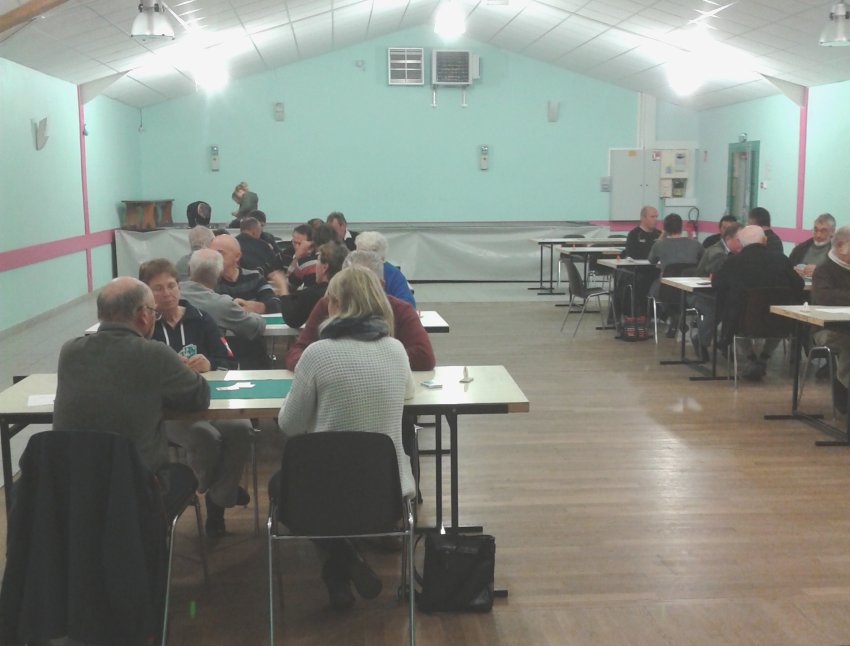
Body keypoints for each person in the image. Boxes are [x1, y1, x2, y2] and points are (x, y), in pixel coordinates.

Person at [276, 265, 415, 611]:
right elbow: (408, 394)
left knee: (283, 488)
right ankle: (343, 566)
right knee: (337, 493)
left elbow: (289, 425)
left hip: (326, 486)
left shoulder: (317, 354)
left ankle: (342, 563)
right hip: (387, 487)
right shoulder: (396, 350)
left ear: (335, 304)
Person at [52, 276, 210, 513]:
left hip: (74, 487)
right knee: (183, 475)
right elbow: (200, 396)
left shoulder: (69, 351)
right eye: (154, 313)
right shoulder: (155, 354)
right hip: (138, 488)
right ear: (144, 314)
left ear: (100, 314)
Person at [139, 259, 252, 537]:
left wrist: (210, 364)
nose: (167, 294)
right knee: (205, 437)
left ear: (180, 286)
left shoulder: (201, 319)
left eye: (171, 286)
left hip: (209, 402)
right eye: (158, 289)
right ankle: (216, 493)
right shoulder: (144, 327)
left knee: (241, 427)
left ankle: (218, 496)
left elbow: (231, 362)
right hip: (169, 413)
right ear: (146, 294)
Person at [284, 250, 435, 372]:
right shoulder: (328, 304)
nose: (357, 293)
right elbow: (298, 349)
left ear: (381, 285)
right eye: (349, 285)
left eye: (365, 285)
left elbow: (425, 356)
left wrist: (353, 361)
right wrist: (307, 365)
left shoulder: (400, 309)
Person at [712, 225, 803, 381]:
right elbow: (799, 284)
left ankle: (751, 358)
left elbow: (717, 284)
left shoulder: (734, 262)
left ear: (740, 243)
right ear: (764, 240)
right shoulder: (781, 259)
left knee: (735, 314)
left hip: (744, 322)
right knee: (777, 322)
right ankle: (764, 357)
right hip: (780, 322)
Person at [180, 248, 269, 368]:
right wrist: (245, 310)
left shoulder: (170, 295)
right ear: (219, 274)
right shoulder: (221, 304)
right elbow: (255, 327)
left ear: (188, 270)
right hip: (208, 368)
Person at [690, 223, 743, 361]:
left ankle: (725, 342)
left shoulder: (737, 252)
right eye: (739, 240)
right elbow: (719, 273)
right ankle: (701, 340)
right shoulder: (716, 252)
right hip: (705, 292)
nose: (742, 243)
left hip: (725, 292)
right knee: (717, 308)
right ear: (729, 239)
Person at [812, 225, 850, 412]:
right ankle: (844, 395)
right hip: (828, 329)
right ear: (840, 245)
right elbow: (826, 298)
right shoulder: (824, 270)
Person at [648, 213, 705, 337]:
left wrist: (661, 237)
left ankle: (673, 315)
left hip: (667, 289)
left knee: (652, 290)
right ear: (682, 226)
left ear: (665, 228)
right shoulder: (695, 244)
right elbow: (702, 262)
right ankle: (677, 316)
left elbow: (651, 260)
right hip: (690, 290)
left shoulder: (659, 245)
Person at [278, 241, 348, 329]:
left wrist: (283, 288)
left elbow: (292, 319)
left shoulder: (313, 294)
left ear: (325, 267)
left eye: (318, 260)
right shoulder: (350, 291)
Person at [210, 233, 284, 312]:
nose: (213, 258)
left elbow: (275, 303)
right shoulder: (208, 281)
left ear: (237, 256)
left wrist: (258, 307)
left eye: (219, 254)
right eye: (211, 254)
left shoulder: (254, 277)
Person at [354, 231, 416, 308]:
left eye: (364, 256)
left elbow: (408, 305)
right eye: (357, 254)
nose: (358, 259)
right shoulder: (350, 272)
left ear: (381, 258)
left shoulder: (393, 275)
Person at [789, 213, 836, 278]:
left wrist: (819, 272)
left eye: (823, 231)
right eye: (815, 230)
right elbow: (787, 269)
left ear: (832, 232)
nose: (818, 235)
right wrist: (793, 271)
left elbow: (841, 277)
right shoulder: (800, 248)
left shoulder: (838, 252)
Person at [288, 224, 319, 291]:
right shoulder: (286, 253)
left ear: (310, 244)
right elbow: (287, 281)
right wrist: (296, 258)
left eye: (300, 244)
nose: (296, 247)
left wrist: (297, 257)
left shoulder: (315, 260)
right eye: (294, 242)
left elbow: (290, 286)